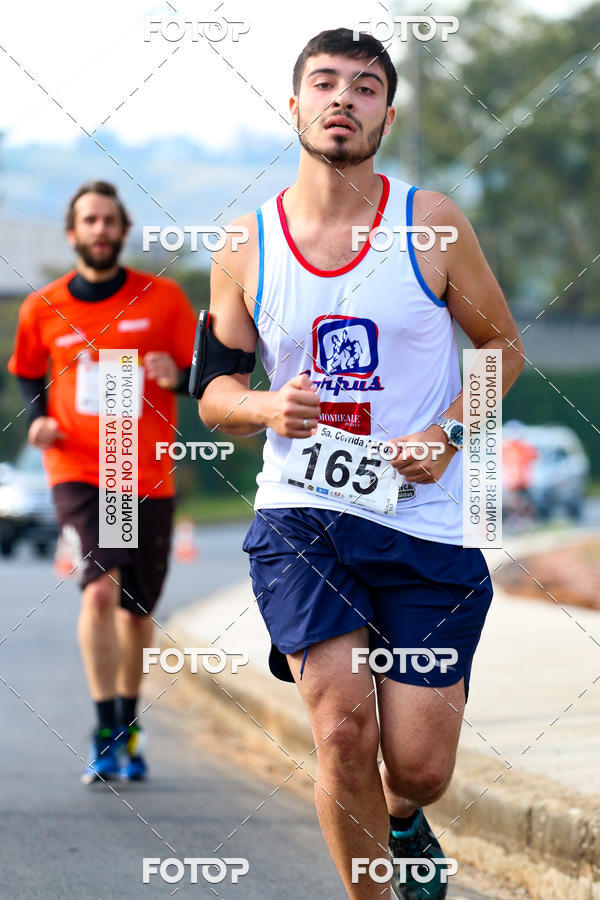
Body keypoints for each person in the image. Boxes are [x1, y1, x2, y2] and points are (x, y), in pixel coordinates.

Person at [196, 28, 524, 899]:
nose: (344, 98)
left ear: (386, 111)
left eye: (367, 86)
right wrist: (267, 404)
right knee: (343, 732)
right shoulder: (244, 244)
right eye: (326, 82)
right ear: (294, 103)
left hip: (425, 526)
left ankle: (408, 818)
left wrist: (449, 433)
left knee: (417, 766)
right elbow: (214, 391)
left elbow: (502, 351)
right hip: (301, 518)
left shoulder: (433, 223)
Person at [8, 180, 197, 784]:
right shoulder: (42, 307)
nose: (99, 229)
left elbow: (210, 376)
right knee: (98, 588)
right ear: (72, 233)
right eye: (88, 220)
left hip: (146, 471)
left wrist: (181, 375)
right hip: (83, 467)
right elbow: (26, 373)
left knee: (137, 613)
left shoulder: (164, 300)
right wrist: (37, 419)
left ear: (123, 230)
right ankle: (104, 728)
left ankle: (127, 724)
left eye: (109, 220)